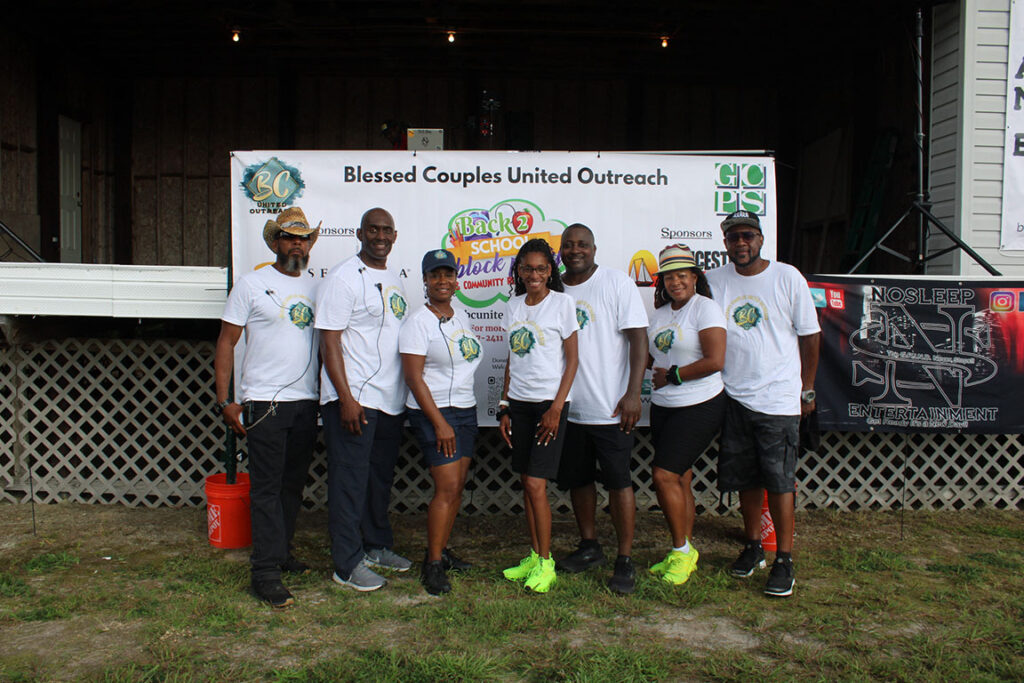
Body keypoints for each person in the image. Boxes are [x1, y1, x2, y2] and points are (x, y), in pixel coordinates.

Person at [705, 210, 820, 598]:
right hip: (733, 396)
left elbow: (810, 336)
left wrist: (807, 388)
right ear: (725, 243)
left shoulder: (787, 277)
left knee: (780, 481)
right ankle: (753, 547)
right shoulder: (714, 281)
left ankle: (783, 560)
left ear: (760, 239)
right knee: (746, 480)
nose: (741, 243)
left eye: (748, 236)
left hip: (779, 398)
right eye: (734, 237)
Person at [214, 206, 321, 608]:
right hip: (263, 403)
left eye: (303, 237)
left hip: (306, 402)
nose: (297, 243)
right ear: (275, 241)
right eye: (290, 236)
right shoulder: (251, 284)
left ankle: (282, 553)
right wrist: (226, 399)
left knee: (292, 486)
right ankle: (264, 572)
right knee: (266, 488)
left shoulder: (317, 287)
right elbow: (226, 342)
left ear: (310, 245)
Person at [315, 207, 412, 592]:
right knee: (349, 481)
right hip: (354, 399)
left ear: (395, 235)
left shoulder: (393, 279)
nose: (380, 236)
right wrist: (346, 398)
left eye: (387, 230)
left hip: (389, 400)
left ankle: (375, 546)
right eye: (373, 229)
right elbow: (330, 341)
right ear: (360, 233)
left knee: (377, 479)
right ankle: (347, 562)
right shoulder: (342, 278)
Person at [554, 224, 648, 594]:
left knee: (619, 482)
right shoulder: (554, 287)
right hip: (568, 407)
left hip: (611, 407)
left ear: (594, 248)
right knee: (578, 480)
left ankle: (625, 558)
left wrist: (633, 393)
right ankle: (589, 545)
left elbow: (638, 339)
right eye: (568, 245)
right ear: (559, 250)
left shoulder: (615, 282)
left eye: (583, 245)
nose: (575, 250)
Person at [499, 238, 579, 594]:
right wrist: (504, 406)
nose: (534, 274)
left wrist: (556, 408)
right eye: (527, 268)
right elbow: (512, 360)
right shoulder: (512, 306)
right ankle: (534, 555)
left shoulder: (562, 304)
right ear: (519, 271)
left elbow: (573, 361)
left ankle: (546, 563)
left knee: (536, 484)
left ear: (551, 271)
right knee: (525, 482)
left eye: (541, 268)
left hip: (550, 405)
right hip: (519, 404)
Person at [400, 249, 482, 595]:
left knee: (457, 487)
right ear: (426, 281)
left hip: (466, 409)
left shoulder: (460, 316)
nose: (443, 281)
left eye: (448, 274)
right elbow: (414, 377)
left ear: (456, 279)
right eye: (436, 275)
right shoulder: (418, 322)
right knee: (446, 489)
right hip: (435, 412)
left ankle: (443, 550)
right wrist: (440, 423)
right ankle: (432, 563)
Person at [646, 244, 726, 586]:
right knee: (680, 478)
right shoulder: (662, 312)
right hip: (664, 406)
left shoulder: (704, 309)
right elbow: (654, 356)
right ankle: (685, 550)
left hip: (700, 404)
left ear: (695, 277)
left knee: (663, 476)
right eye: (669, 276)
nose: (675, 282)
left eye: (682, 275)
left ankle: (680, 551)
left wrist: (674, 375)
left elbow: (715, 360)